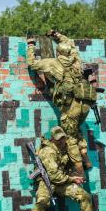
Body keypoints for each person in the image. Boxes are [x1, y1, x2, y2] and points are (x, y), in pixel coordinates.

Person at [26, 31, 94, 178]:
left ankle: (79, 170)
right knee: (76, 130)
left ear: (57, 52)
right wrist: (56, 35)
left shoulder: (53, 63)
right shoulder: (76, 60)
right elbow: (70, 41)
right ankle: (86, 159)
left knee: (70, 138)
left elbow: (32, 64)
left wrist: (31, 45)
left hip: (71, 107)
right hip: (85, 105)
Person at [27, 126, 93, 211]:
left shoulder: (64, 149)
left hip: (61, 182)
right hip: (47, 181)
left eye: (63, 138)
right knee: (42, 201)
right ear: (53, 138)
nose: (61, 141)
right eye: (59, 139)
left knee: (85, 196)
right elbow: (54, 176)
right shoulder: (49, 151)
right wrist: (72, 179)